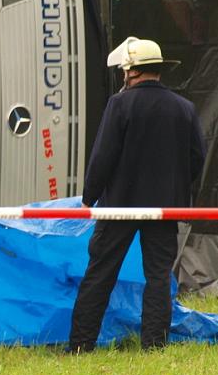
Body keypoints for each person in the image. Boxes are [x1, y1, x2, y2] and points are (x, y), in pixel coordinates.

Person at [69, 38, 206, 352]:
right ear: (158, 70)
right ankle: (154, 345)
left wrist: (89, 197)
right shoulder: (184, 109)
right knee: (158, 276)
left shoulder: (120, 105)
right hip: (165, 209)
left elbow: (103, 155)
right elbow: (197, 156)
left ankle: (80, 344)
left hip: (119, 207)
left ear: (131, 71)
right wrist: (175, 187)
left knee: (101, 273)